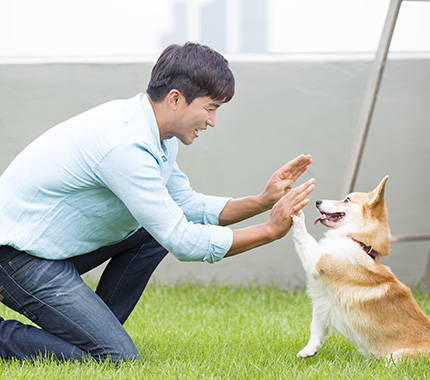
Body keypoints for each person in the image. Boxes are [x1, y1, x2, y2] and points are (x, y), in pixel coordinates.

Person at [0, 42, 314, 362]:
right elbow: (182, 240)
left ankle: (95, 328)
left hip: (48, 248)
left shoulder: (154, 132)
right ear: (175, 99)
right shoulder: (126, 145)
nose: (213, 121)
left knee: (152, 232)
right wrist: (268, 232)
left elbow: (185, 204)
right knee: (115, 357)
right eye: (210, 108)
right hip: (16, 258)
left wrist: (262, 201)